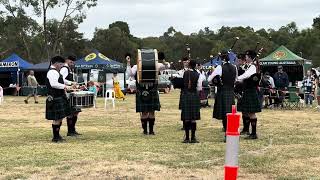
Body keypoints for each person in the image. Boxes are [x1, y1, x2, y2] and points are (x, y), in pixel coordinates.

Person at [126, 51, 170, 135]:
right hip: (146, 90)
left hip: (147, 90)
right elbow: (129, 74)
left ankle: (149, 130)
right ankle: (148, 131)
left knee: (147, 112)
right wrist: (128, 63)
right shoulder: (138, 66)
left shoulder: (155, 64)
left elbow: (167, 66)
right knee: (148, 112)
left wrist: (163, 60)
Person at [208, 50, 237, 142]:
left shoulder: (220, 67)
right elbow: (235, 79)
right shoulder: (234, 67)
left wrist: (214, 73)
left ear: (221, 58)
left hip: (222, 91)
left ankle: (226, 133)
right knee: (230, 113)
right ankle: (230, 133)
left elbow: (209, 79)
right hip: (231, 91)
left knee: (225, 114)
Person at [45, 56, 73, 142]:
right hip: (55, 97)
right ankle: (55, 137)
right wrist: (66, 87)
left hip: (59, 96)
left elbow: (61, 80)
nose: (62, 66)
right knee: (57, 118)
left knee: (60, 117)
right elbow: (54, 84)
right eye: (61, 64)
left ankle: (57, 136)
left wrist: (71, 83)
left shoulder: (56, 71)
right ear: (56, 63)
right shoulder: (52, 72)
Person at [236, 50, 262, 139]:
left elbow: (246, 75)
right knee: (248, 112)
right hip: (247, 90)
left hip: (250, 90)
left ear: (250, 57)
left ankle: (254, 134)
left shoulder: (253, 67)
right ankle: (249, 131)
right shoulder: (249, 66)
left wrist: (236, 78)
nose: (245, 58)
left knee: (251, 113)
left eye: (247, 56)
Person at [181, 60, 202, 143]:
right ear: (195, 66)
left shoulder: (185, 73)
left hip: (186, 95)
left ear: (189, 65)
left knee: (186, 118)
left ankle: (186, 138)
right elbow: (199, 88)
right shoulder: (198, 74)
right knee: (193, 118)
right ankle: (193, 138)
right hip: (194, 96)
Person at [60, 55, 81, 136]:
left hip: (72, 92)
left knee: (75, 112)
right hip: (68, 93)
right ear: (67, 60)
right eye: (71, 62)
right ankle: (70, 131)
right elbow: (61, 79)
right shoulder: (64, 69)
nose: (72, 63)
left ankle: (73, 129)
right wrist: (71, 83)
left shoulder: (69, 69)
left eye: (73, 62)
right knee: (71, 112)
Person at [235, 53, 251, 135]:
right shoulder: (239, 68)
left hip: (244, 91)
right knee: (243, 111)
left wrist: (238, 81)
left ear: (243, 60)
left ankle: (247, 129)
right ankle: (245, 128)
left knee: (246, 111)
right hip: (239, 91)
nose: (237, 61)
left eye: (238, 60)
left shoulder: (246, 68)